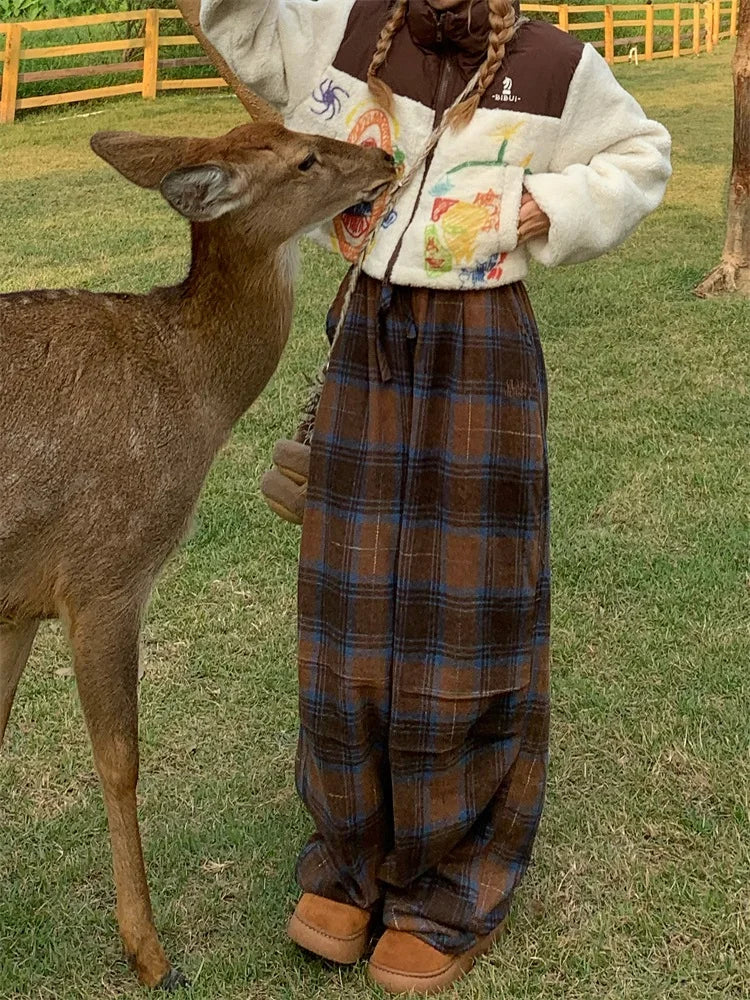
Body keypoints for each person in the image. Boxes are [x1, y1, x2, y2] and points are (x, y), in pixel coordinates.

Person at [195, 0, 671, 992]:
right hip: (364, 333)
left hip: (482, 349)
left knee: (469, 615)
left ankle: (452, 884)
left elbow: (641, 154)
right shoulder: (340, 24)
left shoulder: (552, 64)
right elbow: (238, 24)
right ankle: (350, 860)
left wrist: (543, 209)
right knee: (350, 609)